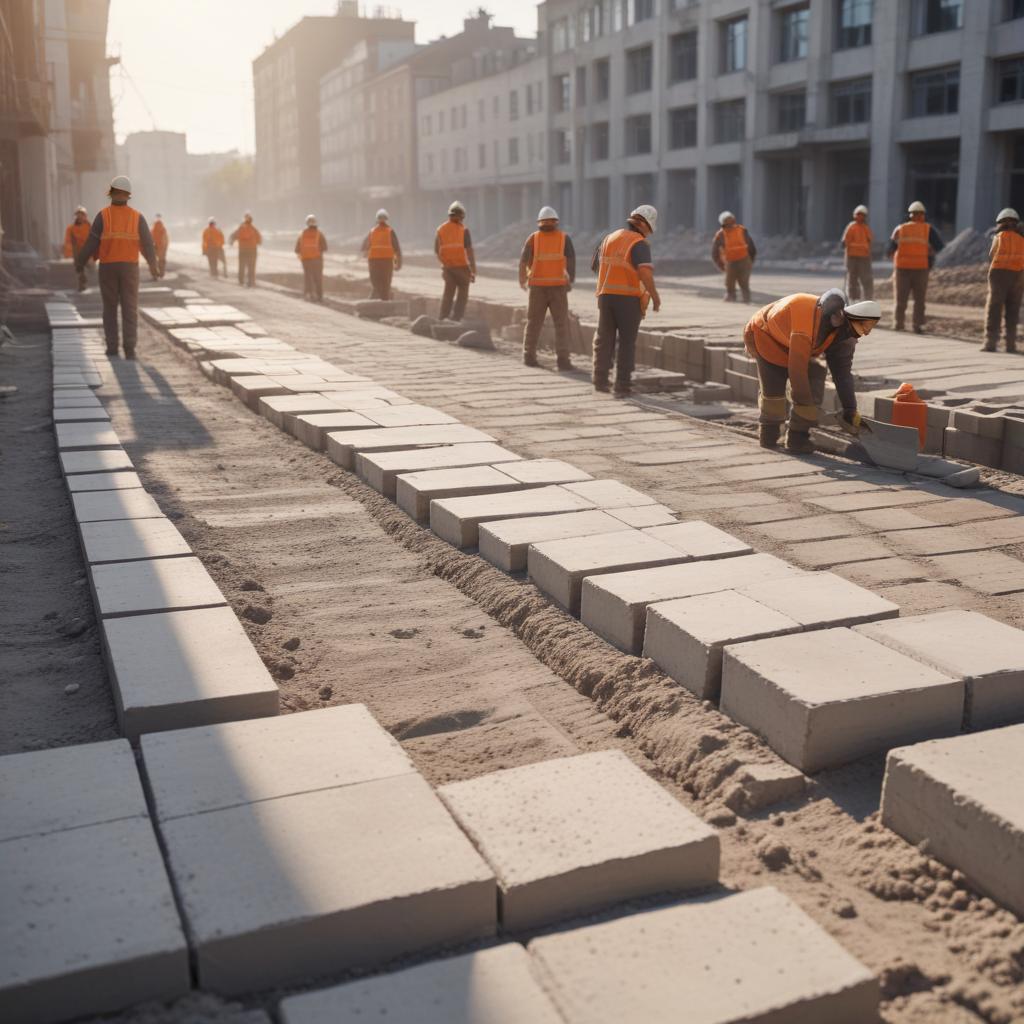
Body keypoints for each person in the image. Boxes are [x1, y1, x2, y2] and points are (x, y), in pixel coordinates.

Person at [744, 290, 881, 453]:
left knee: (815, 380)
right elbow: (797, 372)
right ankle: (768, 434)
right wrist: (806, 407)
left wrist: (850, 409)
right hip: (767, 336)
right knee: (774, 392)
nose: (857, 337)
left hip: (803, 346)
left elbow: (842, 374)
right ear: (834, 319)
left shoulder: (845, 337)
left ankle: (797, 438)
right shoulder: (805, 325)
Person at [74, 175, 160, 359]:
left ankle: (112, 348)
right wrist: (154, 265)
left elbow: (91, 242)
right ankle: (130, 349)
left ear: (111, 193)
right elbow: (148, 243)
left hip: (108, 268)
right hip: (129, 268)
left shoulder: (102, 216)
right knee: (130, 308)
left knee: (110, 308)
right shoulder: (137, 217)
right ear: (128, 195)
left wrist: (80, 262)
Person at [591, 204, 661, 397]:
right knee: (626, 343)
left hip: (605, 297)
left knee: (604, 339)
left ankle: (600, 381)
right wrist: (655, 297)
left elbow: (595, 265)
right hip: (627, 300)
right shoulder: (638, 243)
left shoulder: (609, 238)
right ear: (646, 225)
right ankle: (622, 386)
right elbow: (645, 273)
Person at [519, 206, 576, 370]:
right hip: (558, 287)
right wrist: (570, 280)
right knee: (561, 324)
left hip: (537, 287)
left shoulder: (533, 238)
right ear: (556, 222)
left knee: (534, 323)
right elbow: (571, 260)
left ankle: (528, 356)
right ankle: (563, 361)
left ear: (539, 222)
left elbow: (523, 261)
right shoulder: (564, 238)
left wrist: (522, 279)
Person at [888, 200, 944, 334]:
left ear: (910, 215)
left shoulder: (900, 229)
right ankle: (917, 325)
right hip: (920, 269)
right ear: (922, 215)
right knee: (919, 300)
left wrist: (896, 260)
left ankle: (898, 323)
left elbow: (890, 250)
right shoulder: (928, 229)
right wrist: (930, 254)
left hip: (902, 269)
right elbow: (940, 247)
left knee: (901, 298)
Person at [984, 207, 1024, 353]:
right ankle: (1011, 345)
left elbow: (991, 254)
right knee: (1013, 310)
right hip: (1018, 276)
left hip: (999, 275)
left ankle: (990, 343)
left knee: (995, 308)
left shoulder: (998, 237)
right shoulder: (1022, 239)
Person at [435, 200, 475, 321]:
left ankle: (442, 318)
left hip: (448, 267)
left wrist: (444, 263)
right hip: (462, 268)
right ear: (462, 215)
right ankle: (456, 319)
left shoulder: (441, 229)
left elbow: (437, 250)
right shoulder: (464, 230)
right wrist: (473, 271)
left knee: (448, 293)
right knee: (462, 295)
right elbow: (469, 252)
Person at [712, 211, 756, 302]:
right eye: (727, 221)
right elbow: (715, 253)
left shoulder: (742, 230)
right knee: (730, 283)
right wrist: (722, 265)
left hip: (743, 259)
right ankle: (733, 297)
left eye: (730, 221)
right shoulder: (721, 235)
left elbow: (751, 247)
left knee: (743, 282)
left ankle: (745, 299)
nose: (730, 223)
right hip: (732, 261)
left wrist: (750, 261)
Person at [842, 205, 873, 301]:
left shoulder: (866, 228)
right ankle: (853, 298)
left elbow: (870, 241)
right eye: (858, 214)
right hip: (852, 257)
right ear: (855, 215)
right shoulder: (851, 227)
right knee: (852, 279)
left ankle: (867, 298)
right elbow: (845, 241)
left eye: (862, 215)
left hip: (864, 258)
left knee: (866, 279)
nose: (860, 217)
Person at [296, 214, 328, 302]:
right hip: (317, 260)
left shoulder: (302, 234)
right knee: (318, 278)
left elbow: (297, 249)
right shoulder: (319, 234)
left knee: (307, 277)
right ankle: (319, 296)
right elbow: (325, 247)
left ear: (306, 223)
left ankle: (308, 294)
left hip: (305, 260)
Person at [63, 206, 92, 291]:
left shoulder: (90, 227)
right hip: (77, 252)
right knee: (80, 269)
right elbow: (68, 241)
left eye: (82, 215)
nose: (80, 217)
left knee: (90, 268)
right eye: (78, 215)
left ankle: (85, 281)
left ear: (85, 216)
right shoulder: (71, 228)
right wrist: (69, 252)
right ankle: (82, 284)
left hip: (88, 251)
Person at [230, 211, 261, 287]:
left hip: (243, 250)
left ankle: (241, 280)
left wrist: (232, 241)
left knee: (242, 265)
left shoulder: (241, 228)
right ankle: (251, 281)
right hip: (252, 250)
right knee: (251, 266)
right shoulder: (254, 229)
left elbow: (233, 236)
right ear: (251, 220)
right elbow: (259, 240)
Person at [151, 213, 169, 279]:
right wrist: (164, 248)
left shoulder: (154, 228)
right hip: (160, 247)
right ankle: (160, 274)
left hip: (156, 246)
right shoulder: (162, 228)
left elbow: (151, 237)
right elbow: (166, 239)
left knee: (154, 261)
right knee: (161, 261)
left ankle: (155, 274)